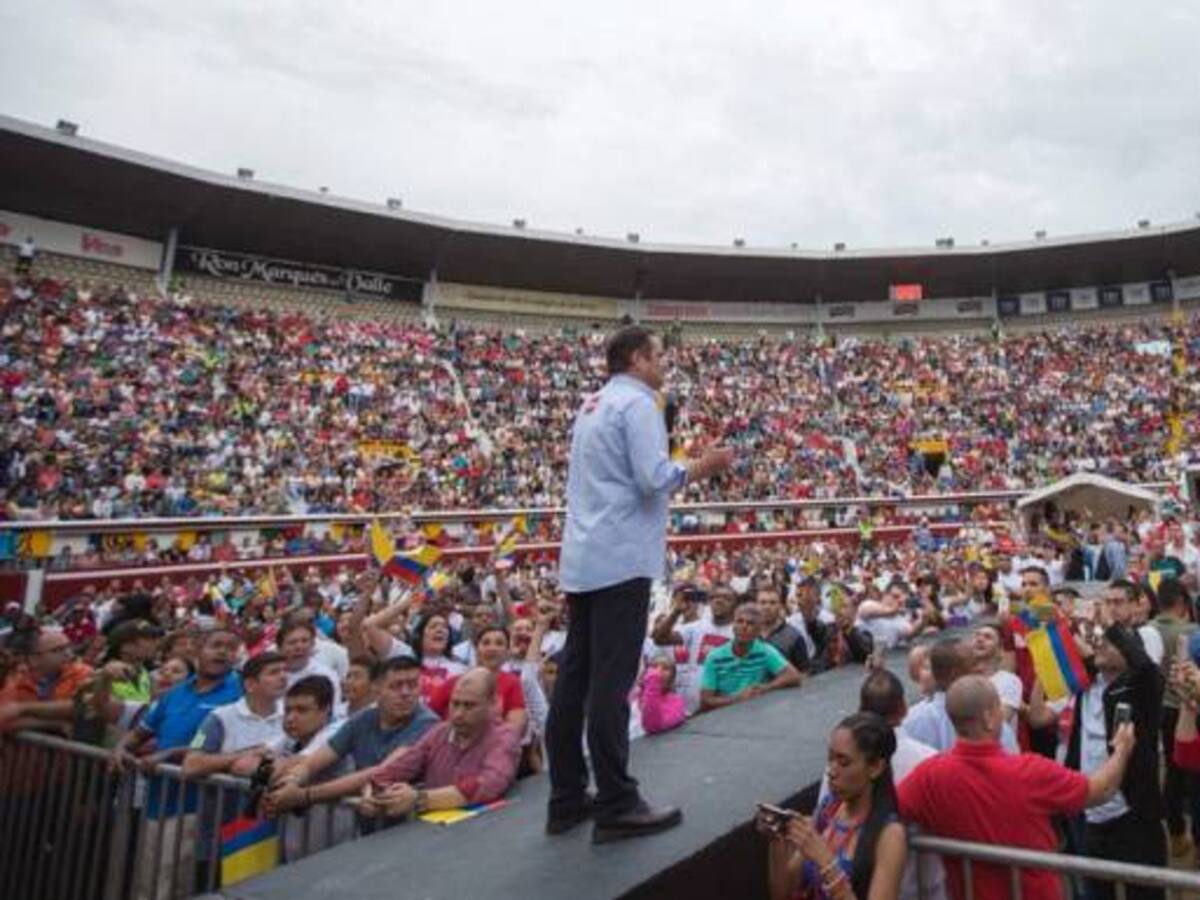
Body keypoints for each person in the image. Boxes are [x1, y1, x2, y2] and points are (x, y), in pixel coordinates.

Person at [546, 325, 733, 842]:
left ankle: (566, 797)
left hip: (585, 556)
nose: (663, 366)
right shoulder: (638, 405)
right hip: (621, 557)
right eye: (657, 356)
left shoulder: (592, 404)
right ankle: (616, 802)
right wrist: (706, 465)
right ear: (634, 358)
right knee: (610, 681)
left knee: (575, 677)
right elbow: (655, 478)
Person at [897, 675, 1136, 900]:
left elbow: (889, 812)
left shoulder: (929, 776)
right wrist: (1122, 750)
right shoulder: (1031, 772)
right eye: (999, 708)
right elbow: (1102, 789)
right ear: (989, 718)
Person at [109, 628, 242, 900]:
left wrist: (169, 755)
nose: (223, 652)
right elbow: (140, 732)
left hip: (196, 806)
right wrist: (121, 749)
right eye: (216, 645)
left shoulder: (239, 691)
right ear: (197, 650)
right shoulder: (176, 693)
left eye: (230, 647)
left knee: (174, 885)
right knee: (147, 882)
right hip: (156, 803)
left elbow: (228, 748)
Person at [1062, 606, 1165, 900]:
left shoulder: (1139, 689)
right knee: (1095, 891)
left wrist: (1112, 625)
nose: (1103, 642)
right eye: (1103, 640)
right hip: (1088, 809)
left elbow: (1147, 670)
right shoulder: (1084, 684)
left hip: (1132, 813)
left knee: (1144, 892)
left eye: (1114, 642)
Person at [760, 712, 907, 900]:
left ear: (875, 767)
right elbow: (782, 893)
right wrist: (777, 839)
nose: (832, 771)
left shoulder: (890, 835)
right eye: (830, 759)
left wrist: (826, 862)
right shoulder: (828, 809)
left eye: (844, 762)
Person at [265, 656, 439, 813]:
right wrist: (291, 781)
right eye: (396, 686)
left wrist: (304, 795)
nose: (406, 693)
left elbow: (382, 771)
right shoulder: (363, 718)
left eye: (413, 685)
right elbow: (313, 762)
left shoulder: (426, 723)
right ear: (376, 690)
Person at [365, 668, 521, 819]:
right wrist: (372, 796)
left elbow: (489, 784)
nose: (459, 714)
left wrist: (419, 799)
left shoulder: (505, 736)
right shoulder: (439, 732)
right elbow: (388, 773)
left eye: (469, 706)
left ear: (492, 703)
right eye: (455, 704)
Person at [182, 651, 288, 778]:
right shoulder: (219, 717)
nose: (283, 677)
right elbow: (191, 764)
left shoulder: (292, 715)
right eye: (274, 672)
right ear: (250, 684)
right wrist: (249, 754)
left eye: (284, 671)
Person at [699, 603, 803, 711]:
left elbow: (794, 676)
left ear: (758, 630)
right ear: (733, 626)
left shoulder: (764, 651)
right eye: (740, 621)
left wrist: (766, 687)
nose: (744, 627)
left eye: (750, 623)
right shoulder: (715, 657)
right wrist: (736, 699)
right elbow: (706, 701)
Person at [970, 621, 1023, 727]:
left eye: (988, 637)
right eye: (977, 636)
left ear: (1000, 650)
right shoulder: (961, 678)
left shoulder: (1009, 681)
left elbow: (995, 725)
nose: (980, 639)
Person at [758, 585, 811, 675]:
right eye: (763, 602)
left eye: (772, 603)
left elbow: (804, 673)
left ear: (780, 606)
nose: (767, 607)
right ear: (756, 605)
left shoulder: (794, 637)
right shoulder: (747, 634)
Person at [639, 654, 687, 735]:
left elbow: (653, 726)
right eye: (654, 667)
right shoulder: (633, 696)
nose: (658, 671)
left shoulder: (675, 702)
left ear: (672, 677)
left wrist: (653, 684)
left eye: (665, 668)